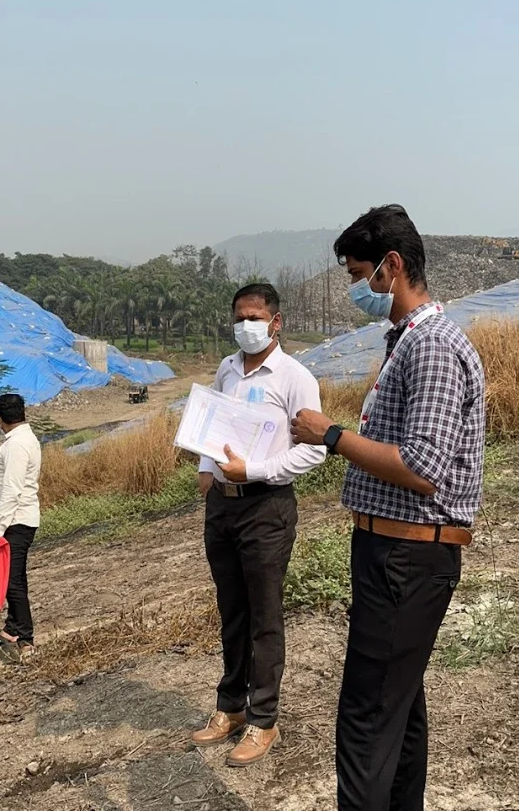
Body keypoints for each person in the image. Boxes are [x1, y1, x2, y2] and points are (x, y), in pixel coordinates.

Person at [290, 205, 485, 811]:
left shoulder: (432, 346)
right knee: (398, 709)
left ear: (392, 266)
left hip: (407, 556)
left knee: (368, 717)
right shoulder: (408, 342)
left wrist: (331, 435)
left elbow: (423, 467)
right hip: (396, 551)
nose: (357, 289)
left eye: (359, 274)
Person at [192, 283, 325, 766]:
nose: (246, 326)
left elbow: (313, 450)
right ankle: (231, 706)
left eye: (255, 318)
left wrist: (256, 471)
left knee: (264, 616)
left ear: (276, 322)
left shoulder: (295, 378)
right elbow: (213, 424)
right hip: (222, 507)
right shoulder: (227, 368)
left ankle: (264, 718)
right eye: (239, 318)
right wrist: (206, 469)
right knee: (232, 610)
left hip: (266, 508)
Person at [0, 393, 42, 659]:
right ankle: (12, 628)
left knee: (11, 582)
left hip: (15, 522)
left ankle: (25, 638)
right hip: (14, 521)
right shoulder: (20, 439)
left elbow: (12, 489)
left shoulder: (17, 445)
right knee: (13, 578)